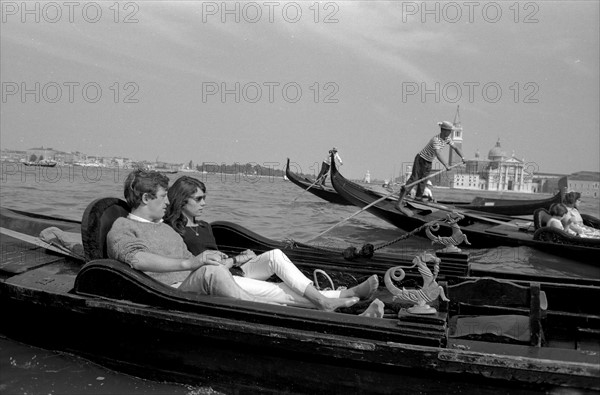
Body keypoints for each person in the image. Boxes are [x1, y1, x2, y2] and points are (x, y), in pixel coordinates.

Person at [163, 176, 380, 311]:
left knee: (275, 255)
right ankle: (338, 297)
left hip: (233, 271)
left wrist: (238, 260)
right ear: (182, 201)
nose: (204, 203)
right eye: (199, 199)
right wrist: (237, 259)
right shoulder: (172, 230)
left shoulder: (204, 226)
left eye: (204, 198)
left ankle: (335, 298)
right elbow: (192, 267)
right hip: (212, 278)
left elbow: (220, 258)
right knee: (278, 290)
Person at [395, 121, 465, 210]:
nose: (450, 133)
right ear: (444, 130)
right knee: (414, 179)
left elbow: (456, 148)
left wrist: (463, 157)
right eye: (449, 131)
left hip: (429, 162)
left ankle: (418, 198)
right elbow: (438, 153)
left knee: (423, 181)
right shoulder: (436, 140)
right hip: (421, 159)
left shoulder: (447, 139)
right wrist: (446, 165)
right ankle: (399, 201)